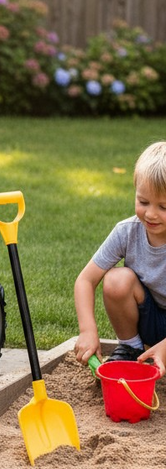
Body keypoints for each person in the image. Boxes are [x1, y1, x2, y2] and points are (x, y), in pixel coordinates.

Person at [73, 141, 166, 376]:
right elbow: (85, 281)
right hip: (150, 318)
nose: (151, 214)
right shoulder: (127, 231)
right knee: (116, 279)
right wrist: (87, 330)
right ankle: (132, 348)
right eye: (143, 202)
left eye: (163, 206)